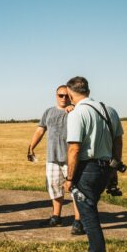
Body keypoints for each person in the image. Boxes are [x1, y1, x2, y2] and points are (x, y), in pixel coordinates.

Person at [63, 76, 124, 252]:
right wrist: (114, 170)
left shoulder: (77, 114)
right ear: (87, 90)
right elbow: (118, 142)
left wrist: (69, 178)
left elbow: (74, 148)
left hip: (87, 169)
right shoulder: (109, 110)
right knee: (90, 210)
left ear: (71, 93)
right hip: (106, 167)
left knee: (88, 216)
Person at [27, 84, 84, 233]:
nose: (64, 98)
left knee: (75, 189)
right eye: (60, 95)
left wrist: (74, 108)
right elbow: (40, 130)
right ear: (56, 96)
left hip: (70, 158)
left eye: (67, 95)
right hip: (52, 158)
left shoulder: (75, 111)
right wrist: (31, 146)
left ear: (71, 96)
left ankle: (78, 221)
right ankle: (56, 217)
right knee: (54, 188)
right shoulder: (48, 112)